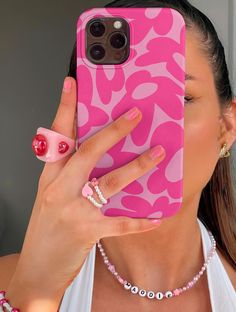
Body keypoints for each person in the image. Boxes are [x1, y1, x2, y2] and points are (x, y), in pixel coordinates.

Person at [0, 0, 235, 311]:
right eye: (116, 102)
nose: (139, 126)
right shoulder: (13, 283)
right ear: (76, 122)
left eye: (178, 97)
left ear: (227, 127)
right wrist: (33, 291)